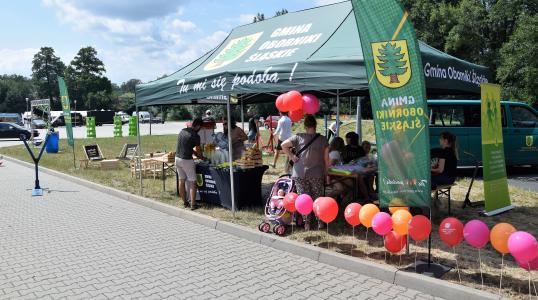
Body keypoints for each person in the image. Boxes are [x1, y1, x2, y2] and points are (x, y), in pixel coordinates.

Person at [281, 115, 329, 230]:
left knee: (304, 198)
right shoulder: (323, 140)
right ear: (315, 125)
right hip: (317, 173)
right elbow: (327, 160)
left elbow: (283, 145)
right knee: (317, 198)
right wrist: (327, 175)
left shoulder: (298, 137)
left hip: (299, 173)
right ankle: (320, 222)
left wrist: (292, 156)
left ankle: (307, 223)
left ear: (305, 126)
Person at [176, 118, 203, 210]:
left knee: (181, 180)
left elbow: (187, 146)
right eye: (201, 127)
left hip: (177, 158)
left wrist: (195, 154)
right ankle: (193, 205)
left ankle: (185, 203)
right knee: (193, 182)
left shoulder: (182, 131)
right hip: (186, 160)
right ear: (198, 126)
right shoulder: (196, 136)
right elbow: (199, 151)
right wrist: (201, 156)